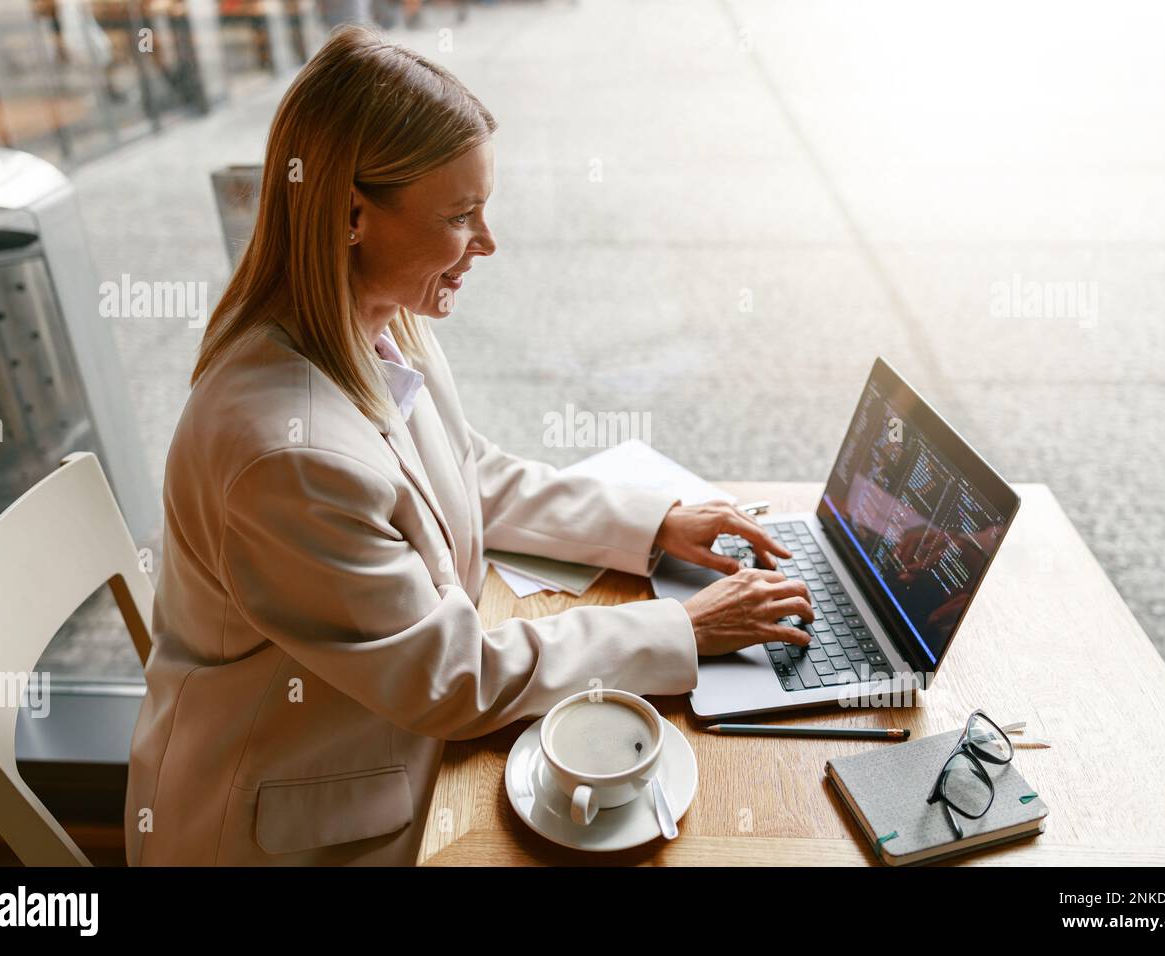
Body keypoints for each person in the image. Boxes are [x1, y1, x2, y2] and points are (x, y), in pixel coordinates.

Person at [125, 24, 813, 866]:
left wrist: (655, 524)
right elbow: (454, 680)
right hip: (291, 826)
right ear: (350, 215)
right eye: (460, 216)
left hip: (385, 746)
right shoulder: (284, 458)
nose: (487, 243)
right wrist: (681, 631)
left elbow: (467, 471)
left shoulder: (375, 320)